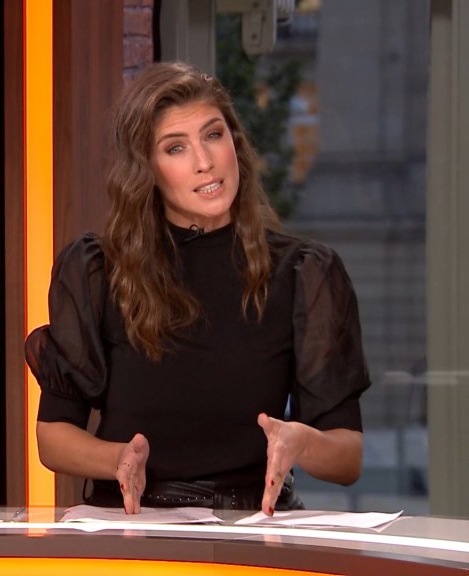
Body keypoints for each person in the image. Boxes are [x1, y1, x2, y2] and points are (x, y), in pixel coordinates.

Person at [24, 61, 371, 516]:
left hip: (253, 525)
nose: (204, 162)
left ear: (234, 143)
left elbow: (348, 457)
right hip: (133, 524)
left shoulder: (305, 272)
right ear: (147, 169)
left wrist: (300, 442)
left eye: (213, 135)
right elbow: (52, 437)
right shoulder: (98, 271)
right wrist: (118, 459)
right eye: (176, 148)